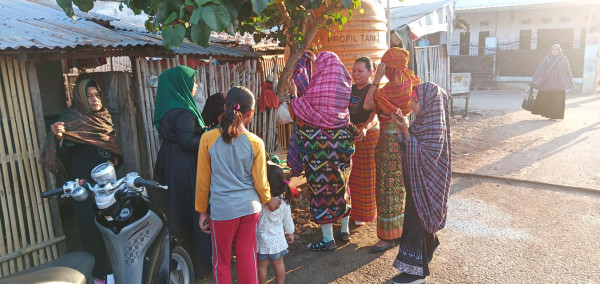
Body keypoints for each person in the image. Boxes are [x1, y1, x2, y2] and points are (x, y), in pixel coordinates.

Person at [195, 86, 281, 284]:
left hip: (223, 210)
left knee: (221, 262)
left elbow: (202, 180)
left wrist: (202, 211)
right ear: (250, 113)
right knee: (247, 257)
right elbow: (260, 182)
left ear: (225, 108)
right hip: (249, 209)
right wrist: (268, 200)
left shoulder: (207, 139)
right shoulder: (256, 142)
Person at [41, 79, 122, 281]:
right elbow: (63, 160)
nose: (94, 99)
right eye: (88, 96)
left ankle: (118, 274)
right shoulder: (70, 120)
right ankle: (100, 276)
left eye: (96, 95)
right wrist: (58, 137)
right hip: (83, 190)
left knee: (114, 230)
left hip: (108, 187)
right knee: (91, 233)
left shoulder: (104, 118)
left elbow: (113, 151)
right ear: (79, 98)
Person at [289, 51, 356, 251]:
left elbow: (300, 108)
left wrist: (293, 94)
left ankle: (328, 239)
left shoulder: (314, 94)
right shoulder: (342, 87)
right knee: (342, 186)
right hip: (342, 148)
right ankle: (344, 232)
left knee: (322, 190)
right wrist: (317, 62)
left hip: (320, 153)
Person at [152, 66, 212, 279]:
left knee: (175, 209)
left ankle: (180, 261)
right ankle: (201, 266)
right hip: (185, 166)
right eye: (193, 82)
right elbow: (187, 142)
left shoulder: (168, 109)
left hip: (168, 162)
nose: (196, 86)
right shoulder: (184, 111)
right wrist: (209, 136)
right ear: (182, 84)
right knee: (194, 209)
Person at [389, 82, 451, 284]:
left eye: (416, 101)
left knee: (414, 221)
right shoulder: (422, 121)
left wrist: (406, 132)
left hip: (427, 184)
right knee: (419, 216)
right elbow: (409, 146)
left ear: (429, 102)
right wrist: (402, 128)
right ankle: (430, 245)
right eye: (413, 100)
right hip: (417, 182)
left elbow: (427, 157)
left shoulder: (435, 126)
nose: (412, 105)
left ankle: (415, 274)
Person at [363, 47, 421, 253]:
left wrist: (376, 78)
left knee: (386, 189)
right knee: (401, 187)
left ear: (387, 69)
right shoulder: (412, 86)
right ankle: (401, 230)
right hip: (406, 141)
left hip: (388, 144)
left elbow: (367, 104)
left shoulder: (382, 92)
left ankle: (388, 237)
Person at [348, 57, 380, 227]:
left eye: (360, 71)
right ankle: (353, 211)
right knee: (352, 177)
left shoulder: (373, 90)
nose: (356, 74)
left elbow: (375, 114)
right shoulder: (350, 89)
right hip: (351, 136)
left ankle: (366, 214)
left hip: (367, 138)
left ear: (370, 72)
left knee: (366, 178)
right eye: (354, 71)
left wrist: (366, 127)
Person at [257, 164, 295, 284]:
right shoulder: (284, 203)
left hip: (261, 241)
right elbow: (288, 220)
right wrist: (291, 233)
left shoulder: (261, 202)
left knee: (262, 267)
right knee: (279, 265)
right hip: (277, 242)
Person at [530, 44, 574, 119]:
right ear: (551, 51)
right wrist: (535, 80)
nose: (555, 51)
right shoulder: (546, 59)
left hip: (559, 83)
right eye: (553, 50)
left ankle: (555, 116)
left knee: (557, 100)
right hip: (547, 82)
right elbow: (540, 69)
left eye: (556, 50)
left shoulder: (563, 59)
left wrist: (570, 80)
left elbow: (567, 70)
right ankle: (548, 114)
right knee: (547, 99)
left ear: (559, 51)